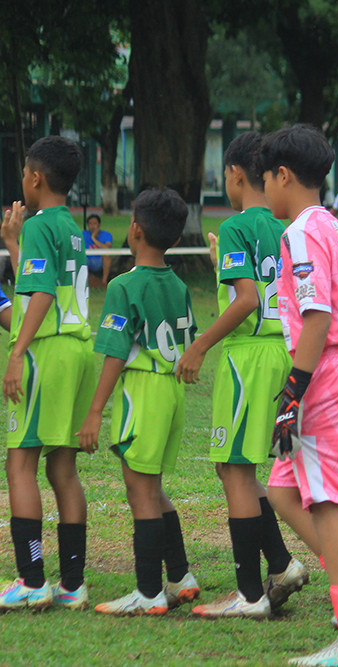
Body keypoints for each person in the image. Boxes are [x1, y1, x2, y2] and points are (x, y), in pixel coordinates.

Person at [260, 125, 338, 667]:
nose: (266, 189)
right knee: (283, 491)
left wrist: (293, 390)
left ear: (283, 175)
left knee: (329, 506)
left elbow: (317, 315)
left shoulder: (301, 233)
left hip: (333, 371)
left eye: (266, 178)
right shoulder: (333, 226)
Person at [173, 132, 306, 619]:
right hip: (285, 353)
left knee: (236, 468)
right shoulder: (287, 224)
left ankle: (249, 594)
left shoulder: (237, 226)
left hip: (248, 357)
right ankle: (282, 564)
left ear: (234, 174)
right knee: (236, 468)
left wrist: (200, 346)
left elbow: (248, 300)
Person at [78, 187, 200, 616]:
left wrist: (94, 412)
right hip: (171, 394)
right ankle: (180, 576)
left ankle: (148, 594)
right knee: (152, 488)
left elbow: (115, 353)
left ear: (134, 230)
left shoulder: (123, 284)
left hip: (144, 393)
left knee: (139, 491)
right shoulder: (180, 284)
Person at [0, 137, 97, 612]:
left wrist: (17, 353)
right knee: (62, 467)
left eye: (23, 173)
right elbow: (41, 285)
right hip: (79, 351)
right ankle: (73, 584)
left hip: (49, 354)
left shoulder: (42, 225)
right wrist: (14, 244)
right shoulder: (71, 228)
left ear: (36, 178)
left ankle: (32, 578)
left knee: (19, 463)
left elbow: (37, 299)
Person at [84, 213, 113, 287]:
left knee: (107, 256)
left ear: (99, 225)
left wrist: (93, 238)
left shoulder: (107, 235)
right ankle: (86, 282)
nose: (92, 226)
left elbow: (107, 248)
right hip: (88, 260)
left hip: (100, 260)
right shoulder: (83, 234)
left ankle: (104, 282)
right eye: (90, 224)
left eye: (95, 223)